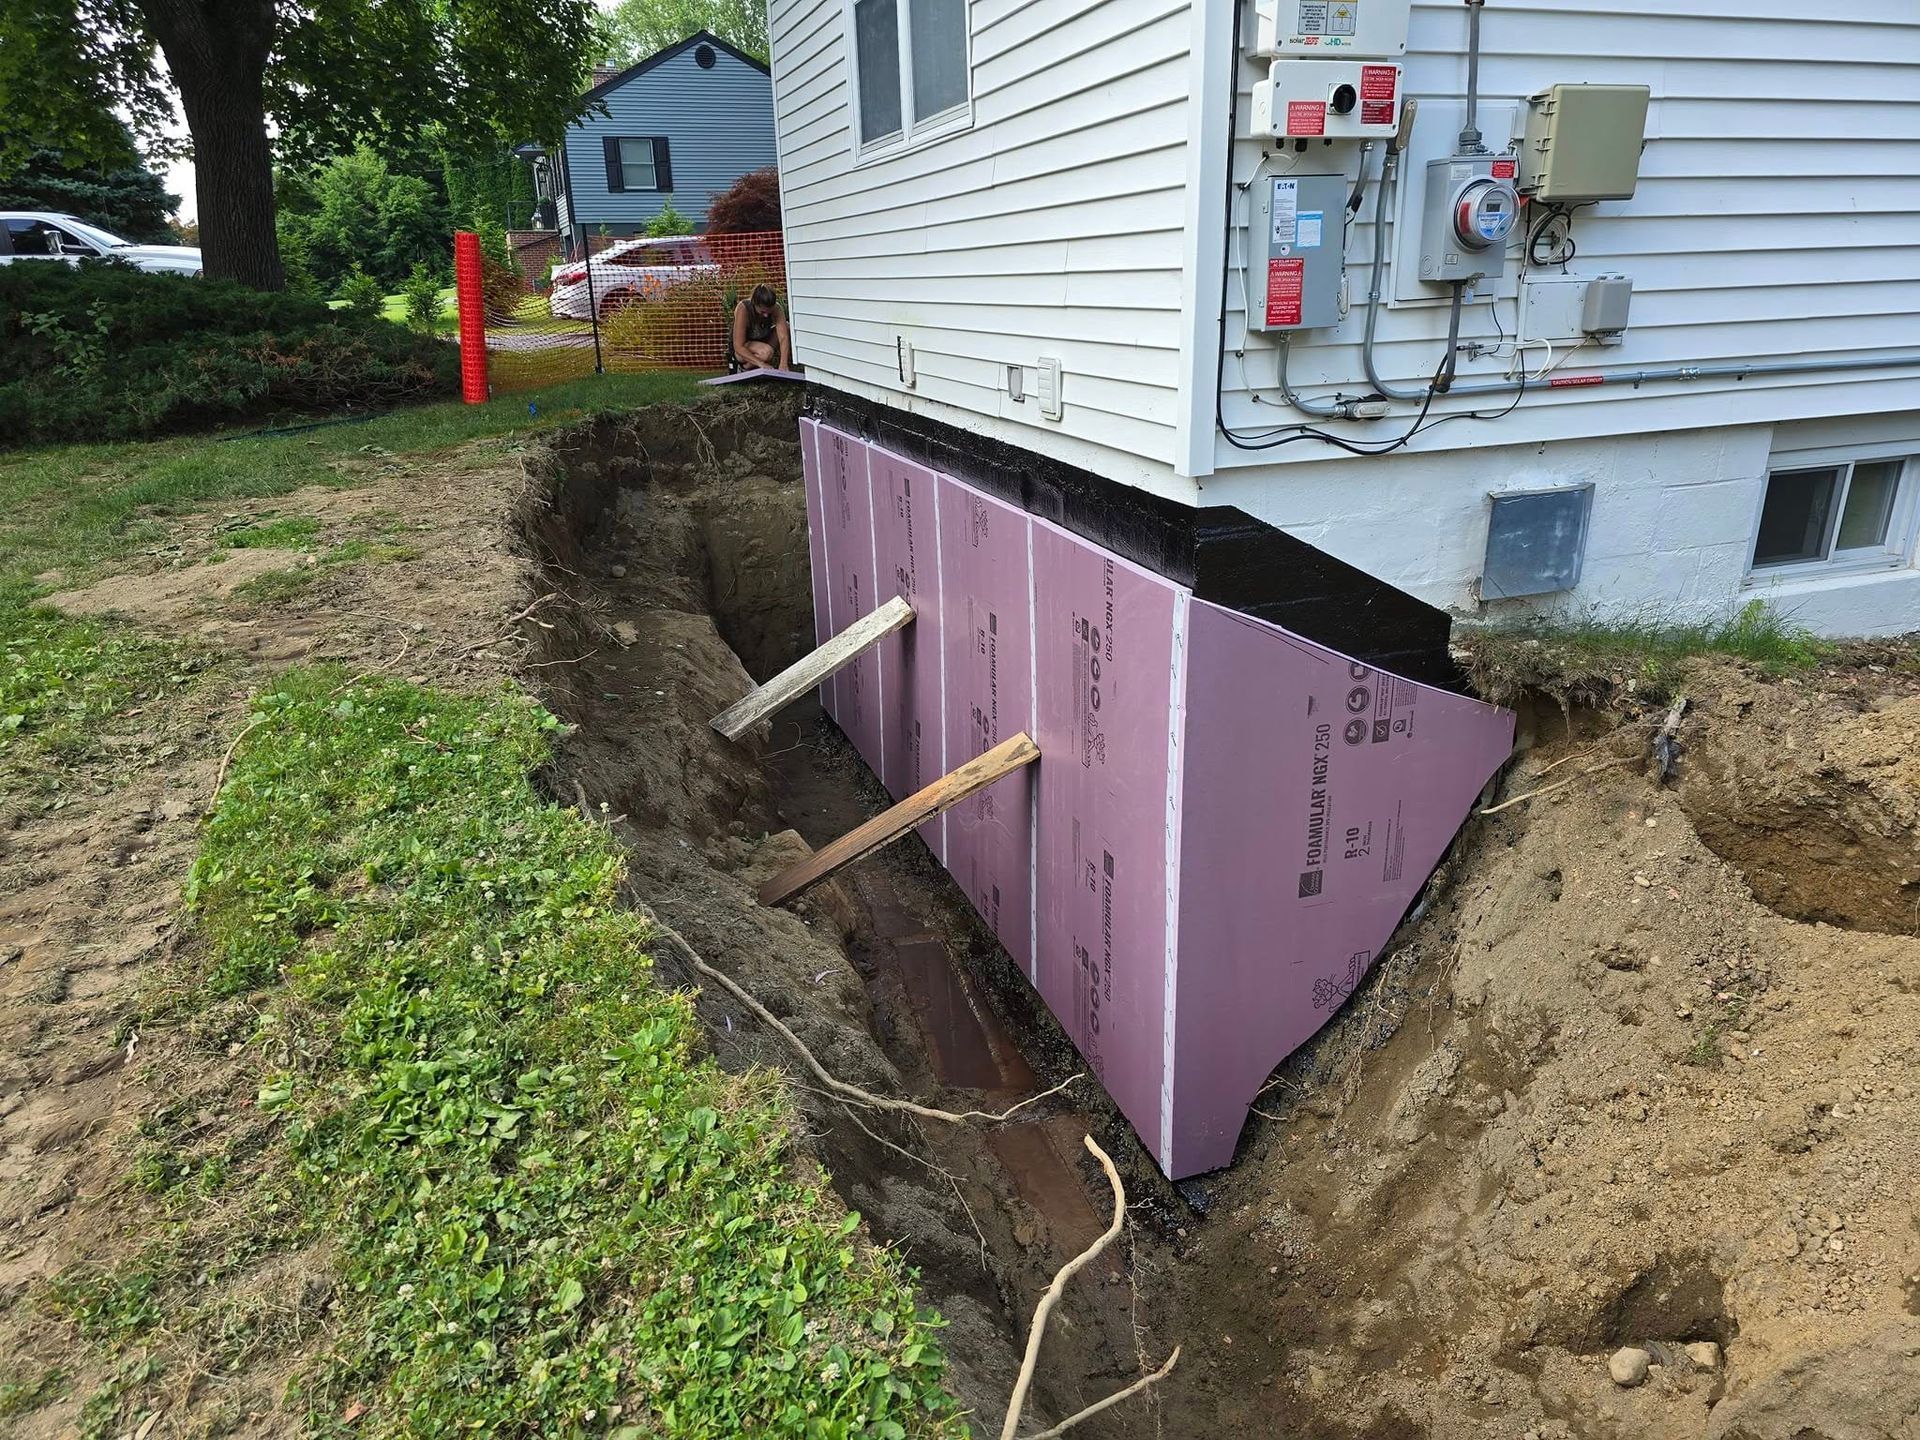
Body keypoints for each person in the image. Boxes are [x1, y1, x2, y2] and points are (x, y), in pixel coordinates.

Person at [732, 284, 792, 371]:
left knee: (786, 326)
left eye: (769, 311)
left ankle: (753, 364)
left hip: (762, 341)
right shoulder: (743, 308)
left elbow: (783, 337)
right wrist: (761, 364)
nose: (766, 315)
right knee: (766, 353)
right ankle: (743, 368)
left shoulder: (776, 308)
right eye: (763, 311)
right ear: (754, 303)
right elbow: (738, 346)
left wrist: (783, 363)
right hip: (742, 350)